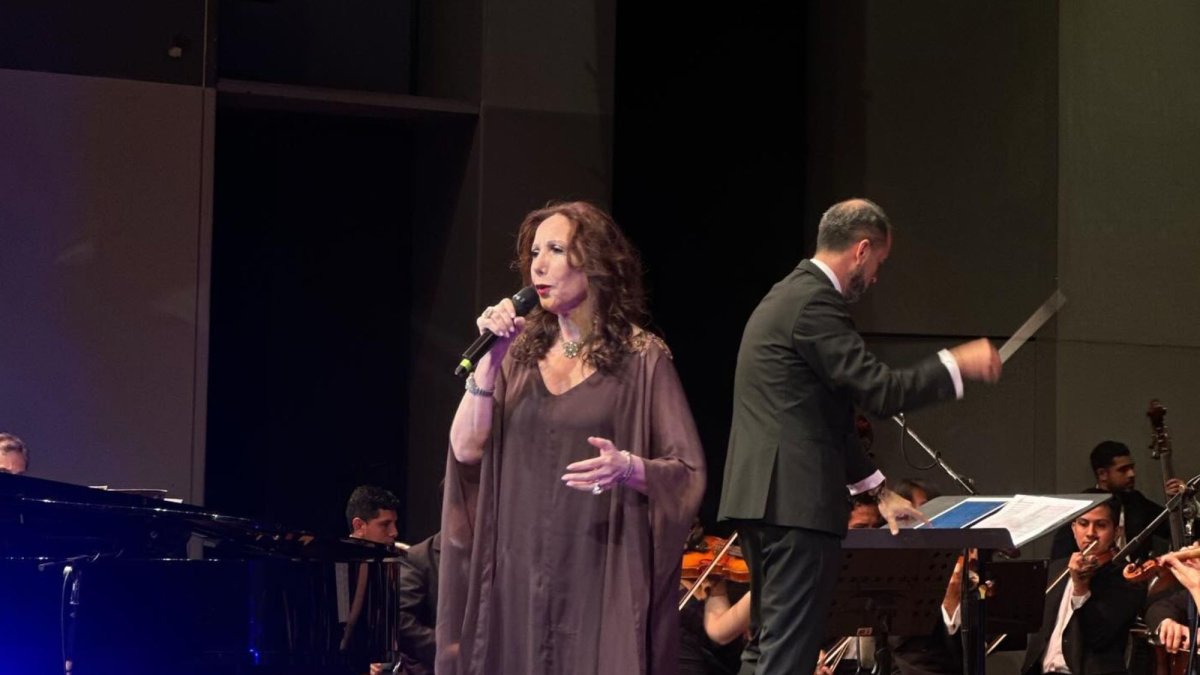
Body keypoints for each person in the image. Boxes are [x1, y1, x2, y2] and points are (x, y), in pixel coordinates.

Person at [717, 198, 1002, 675]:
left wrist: (877, 491)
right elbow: (880, 391)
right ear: (862, 249)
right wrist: (957, 363)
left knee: (766, 648)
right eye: (879, 265)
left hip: (763, 500)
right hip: (795, 507)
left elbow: (822, 417)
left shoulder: (785, 295)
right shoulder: (815, 303)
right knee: (787, 656)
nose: (875, 279)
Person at [439, 201, 706, 675]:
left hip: (597, 565)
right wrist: (488, 363)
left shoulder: (643, 358)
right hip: (517, 569)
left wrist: (629, 467)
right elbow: (465, 449)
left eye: (556, 249)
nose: (538, 264)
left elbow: (687, 472)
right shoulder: (516, 355)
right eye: (535, 251)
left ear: (596, 264)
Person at [1021, 498, 1145, 675]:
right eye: (1083, 524)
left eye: (1101, 525)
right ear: (1073, 528)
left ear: (1117, 532)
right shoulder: (1055, 569)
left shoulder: (1127, 579)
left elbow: (1098, 637)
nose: (1090, 533)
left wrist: (1081, 589)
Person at [1050, 441, 1185, 561]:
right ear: (1102, 474)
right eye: (1123, 470)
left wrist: (1181, 501)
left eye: (1132, 468)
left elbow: (1177, 528)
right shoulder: (1083, 507)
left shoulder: (1137, 501)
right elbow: (1060, 559)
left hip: (1136, 581)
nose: (1132, 474)